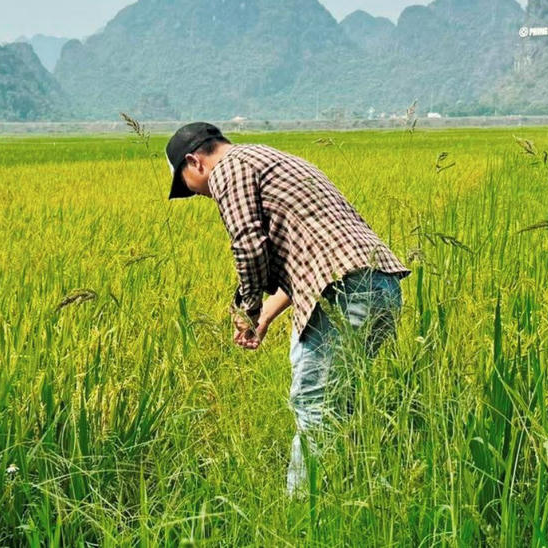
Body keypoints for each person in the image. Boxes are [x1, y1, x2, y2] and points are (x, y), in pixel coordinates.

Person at [165, 121, 409, 495]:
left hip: (343, 294)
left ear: (194, 162)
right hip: (380, 286)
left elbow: (248, 246)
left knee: (314, 406)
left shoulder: (229, 169)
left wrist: (246, 308)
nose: (199, 195)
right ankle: (361, 498)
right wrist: (264, 316)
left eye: (188, 187)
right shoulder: (276, 159)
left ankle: (304, 512)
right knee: (346, 405)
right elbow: (313, 258)